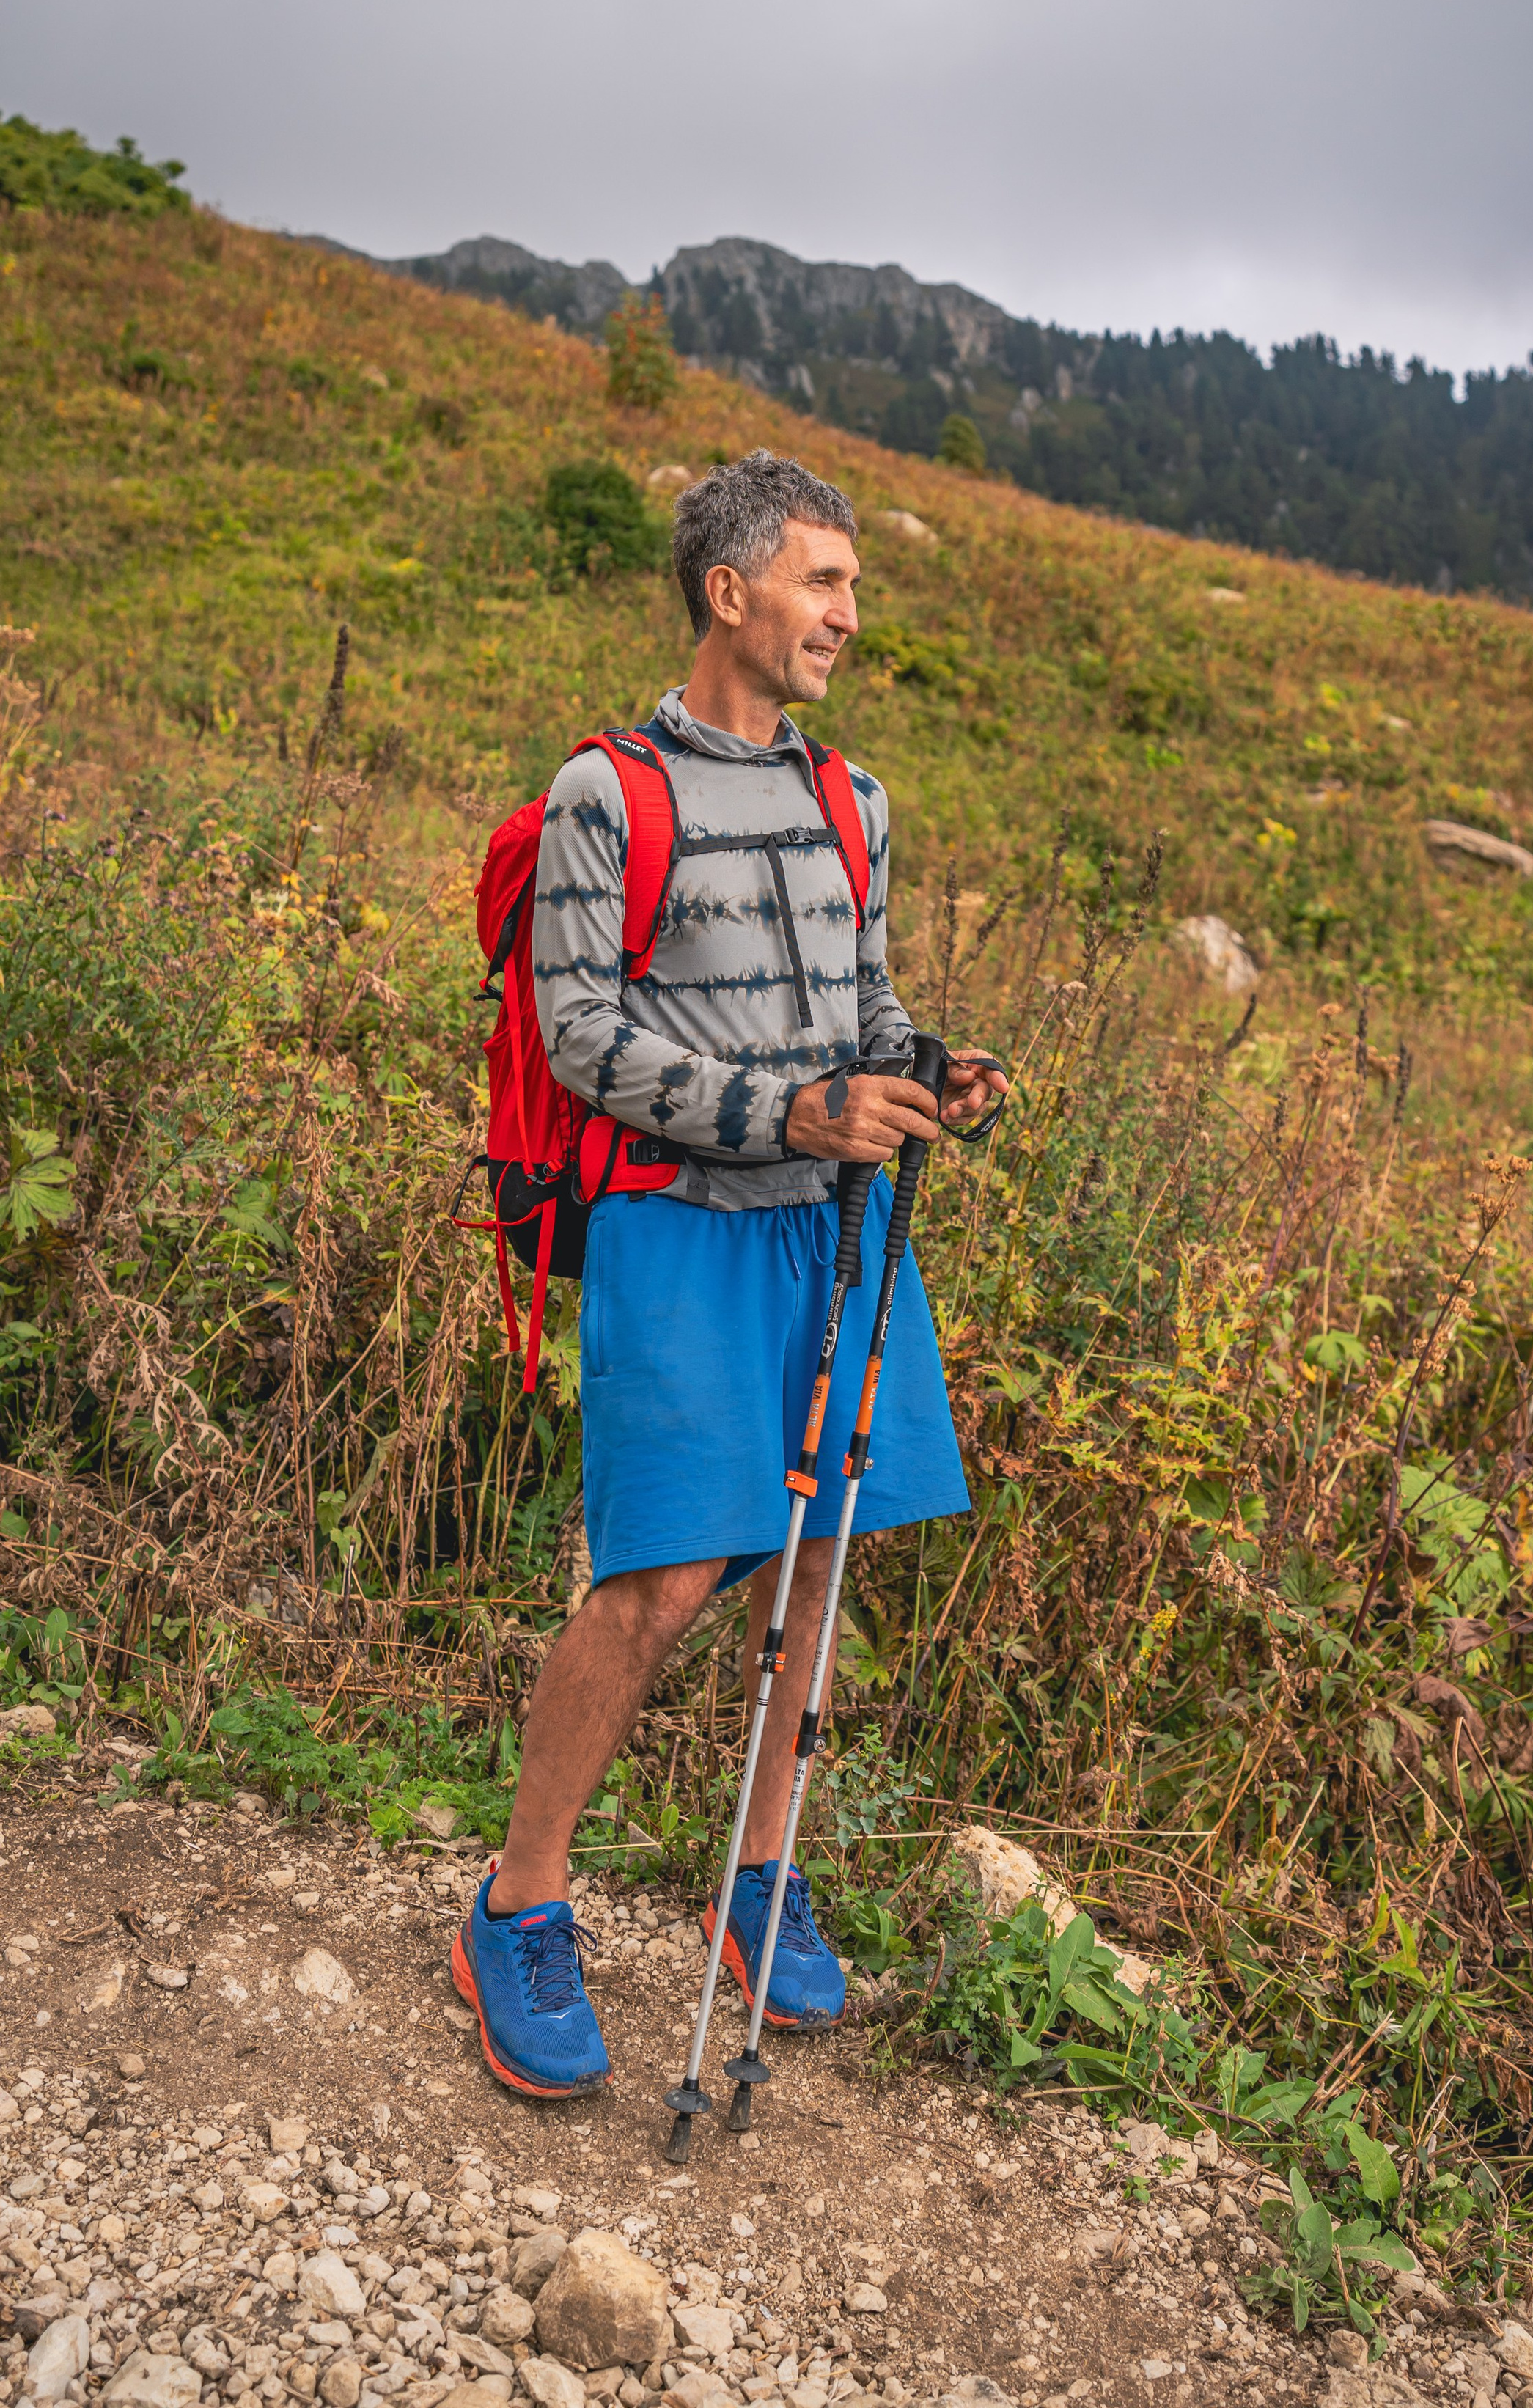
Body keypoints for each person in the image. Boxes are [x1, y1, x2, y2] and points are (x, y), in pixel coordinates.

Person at [452, 449, 1006, 2097]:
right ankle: (518, 1905)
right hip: (677, 1231)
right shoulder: (602, 798)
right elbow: (580, 1034)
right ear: (729, 592)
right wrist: (790, 1110)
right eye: (822, 583)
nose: (847, 612)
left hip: (834, 1229)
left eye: (846, 583)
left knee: (819, 1554)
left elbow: (866, 1007)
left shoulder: (855, 800)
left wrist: (926, 1069)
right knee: (665, 1581)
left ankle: (755, 1884)